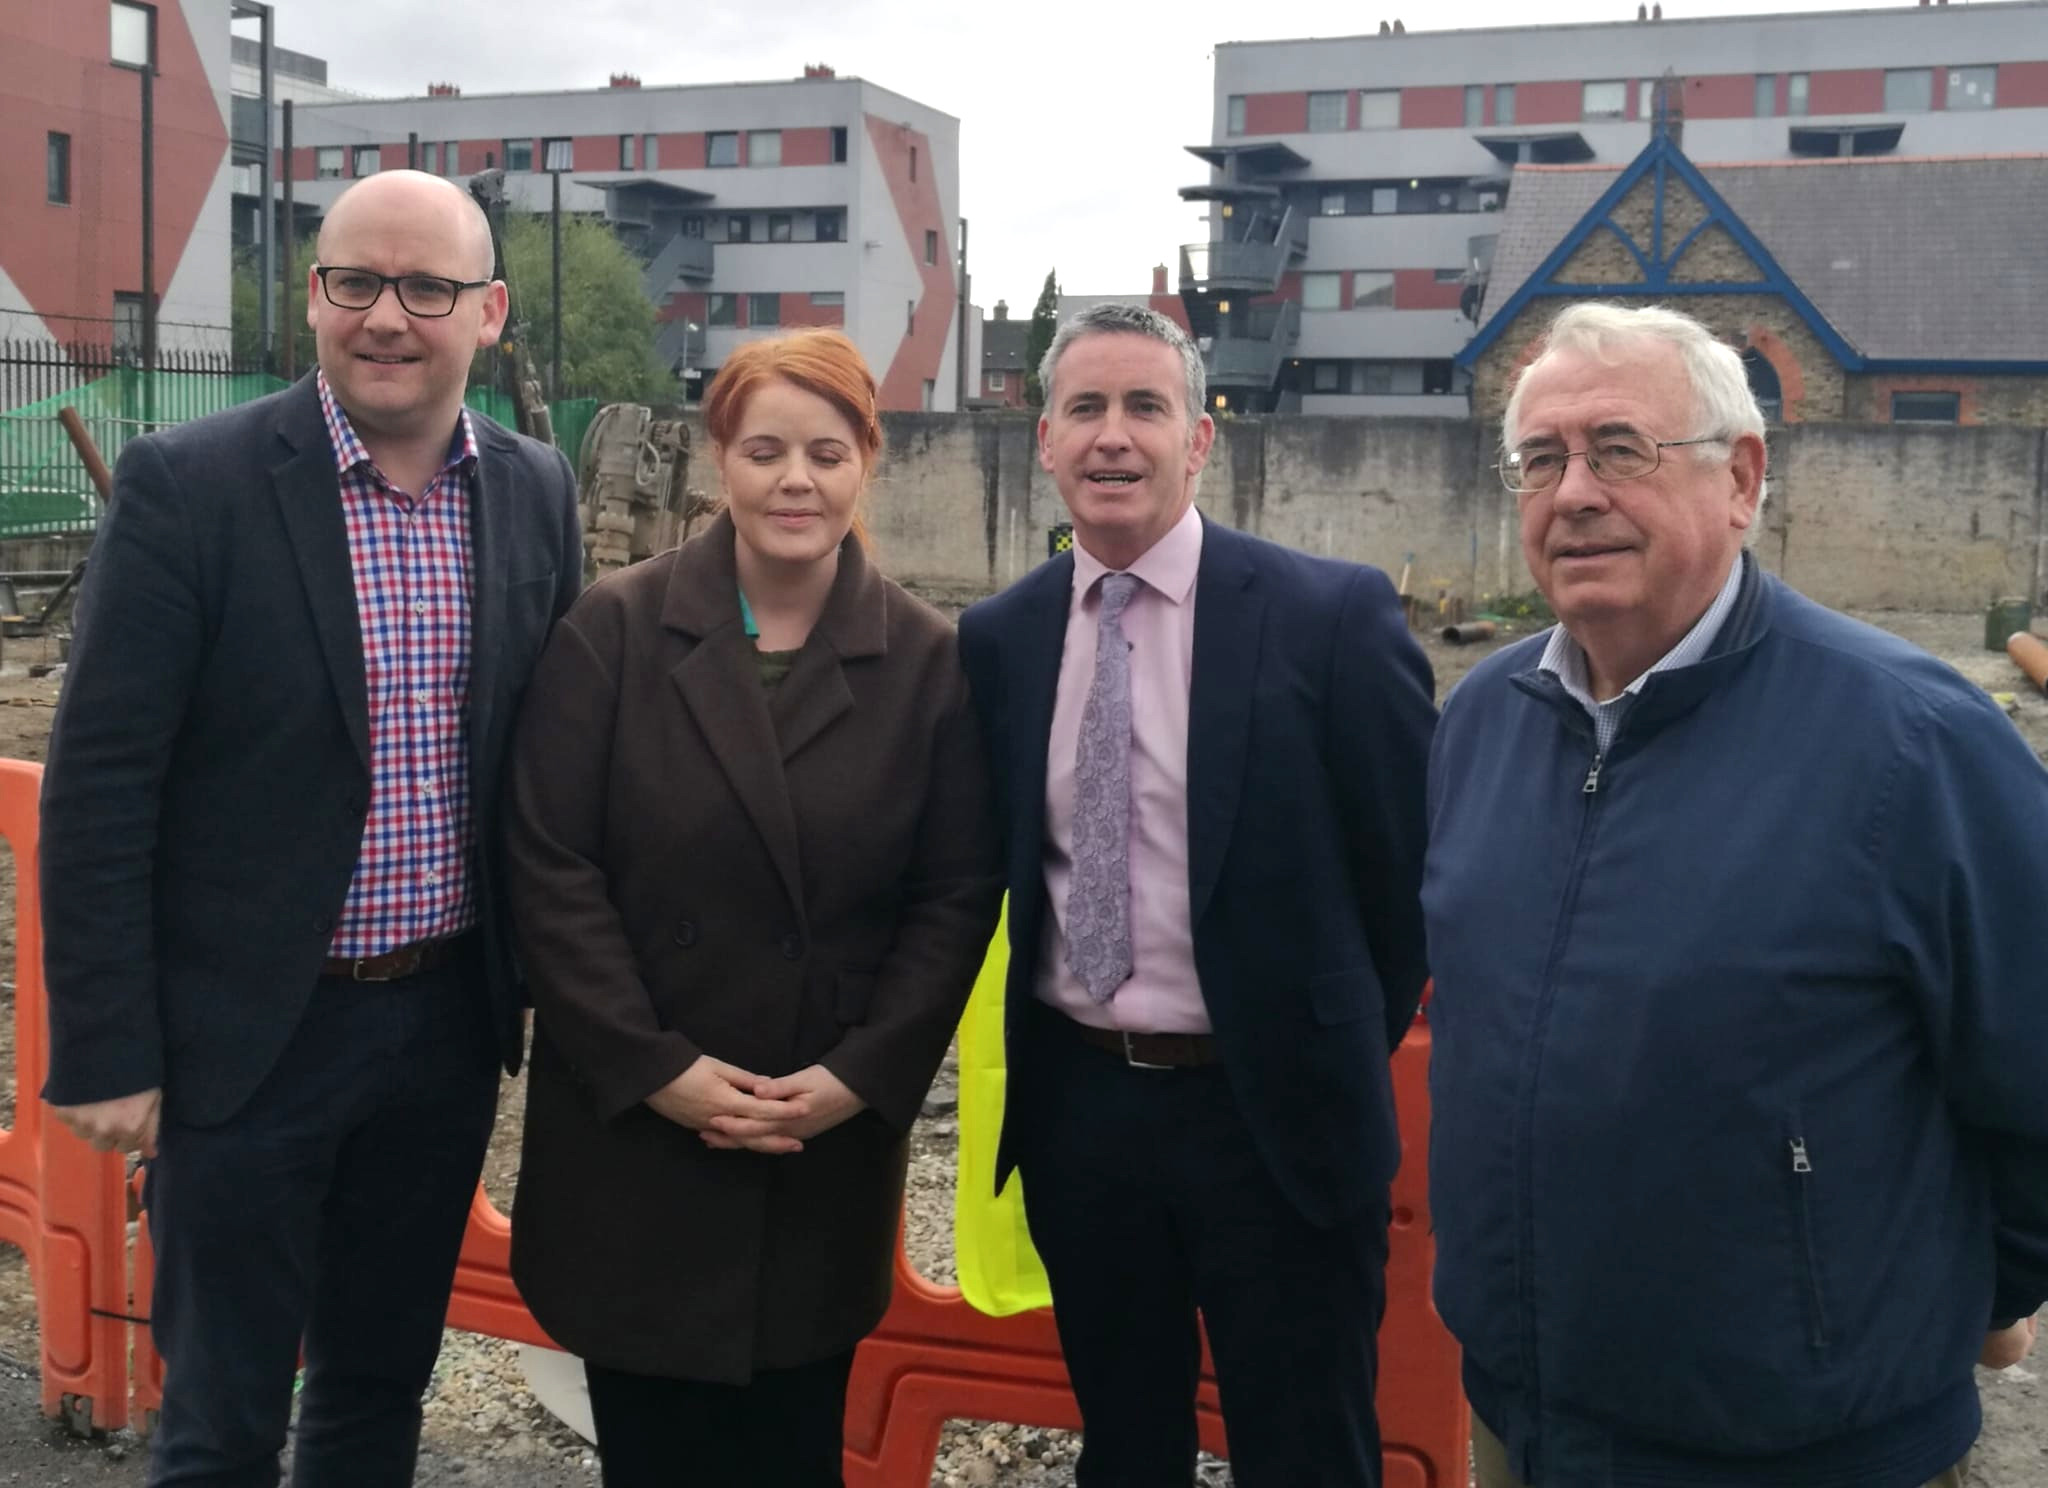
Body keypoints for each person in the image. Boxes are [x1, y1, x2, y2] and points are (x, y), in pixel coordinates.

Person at [1423, 300, 2048, 1488]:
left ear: (1740, 478)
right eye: (1539, 460)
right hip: (1520, 1412)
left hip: (1800, 1444)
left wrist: (1978, 1292)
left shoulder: (1913, 743)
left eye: (1618, 448)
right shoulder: (1481, 722)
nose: (1572, 493)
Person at [37, 169, 584, 1486]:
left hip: (442, 1029)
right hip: (243, 1047)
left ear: (489, 311)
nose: (387, 317)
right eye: (355, 282)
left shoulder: (535, 492)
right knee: (221, 1422)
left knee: (374, 1393)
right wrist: (112, 1050)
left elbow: (556, 760)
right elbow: (103, 783)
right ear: (313, 294)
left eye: (427, 288)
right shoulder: (191, 487)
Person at [504, 328, 1001, 1487]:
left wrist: (861, 1078)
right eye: (765, 448)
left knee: (792, 1445)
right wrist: (651, 1065)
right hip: (637, 1138)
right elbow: (551, 869)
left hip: (808, 1136)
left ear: (864, 463)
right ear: (716, 459)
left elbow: (951, 898)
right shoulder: (613, 634)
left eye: (826, 453)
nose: (795, 480)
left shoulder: (929, 663)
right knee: (652, 1455)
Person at [955, 303, 1437, 1487]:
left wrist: (1311, 1048)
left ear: (1199, 440)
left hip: (1273, 1120)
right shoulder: (1001, 639)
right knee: (1124, 1447)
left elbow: (1406, 881)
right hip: (1083, 1117)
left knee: (1307, 1447)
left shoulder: (1330, 617)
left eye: (1143, 407)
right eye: (1085, 408)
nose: (1113, 437)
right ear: (1046, 438)